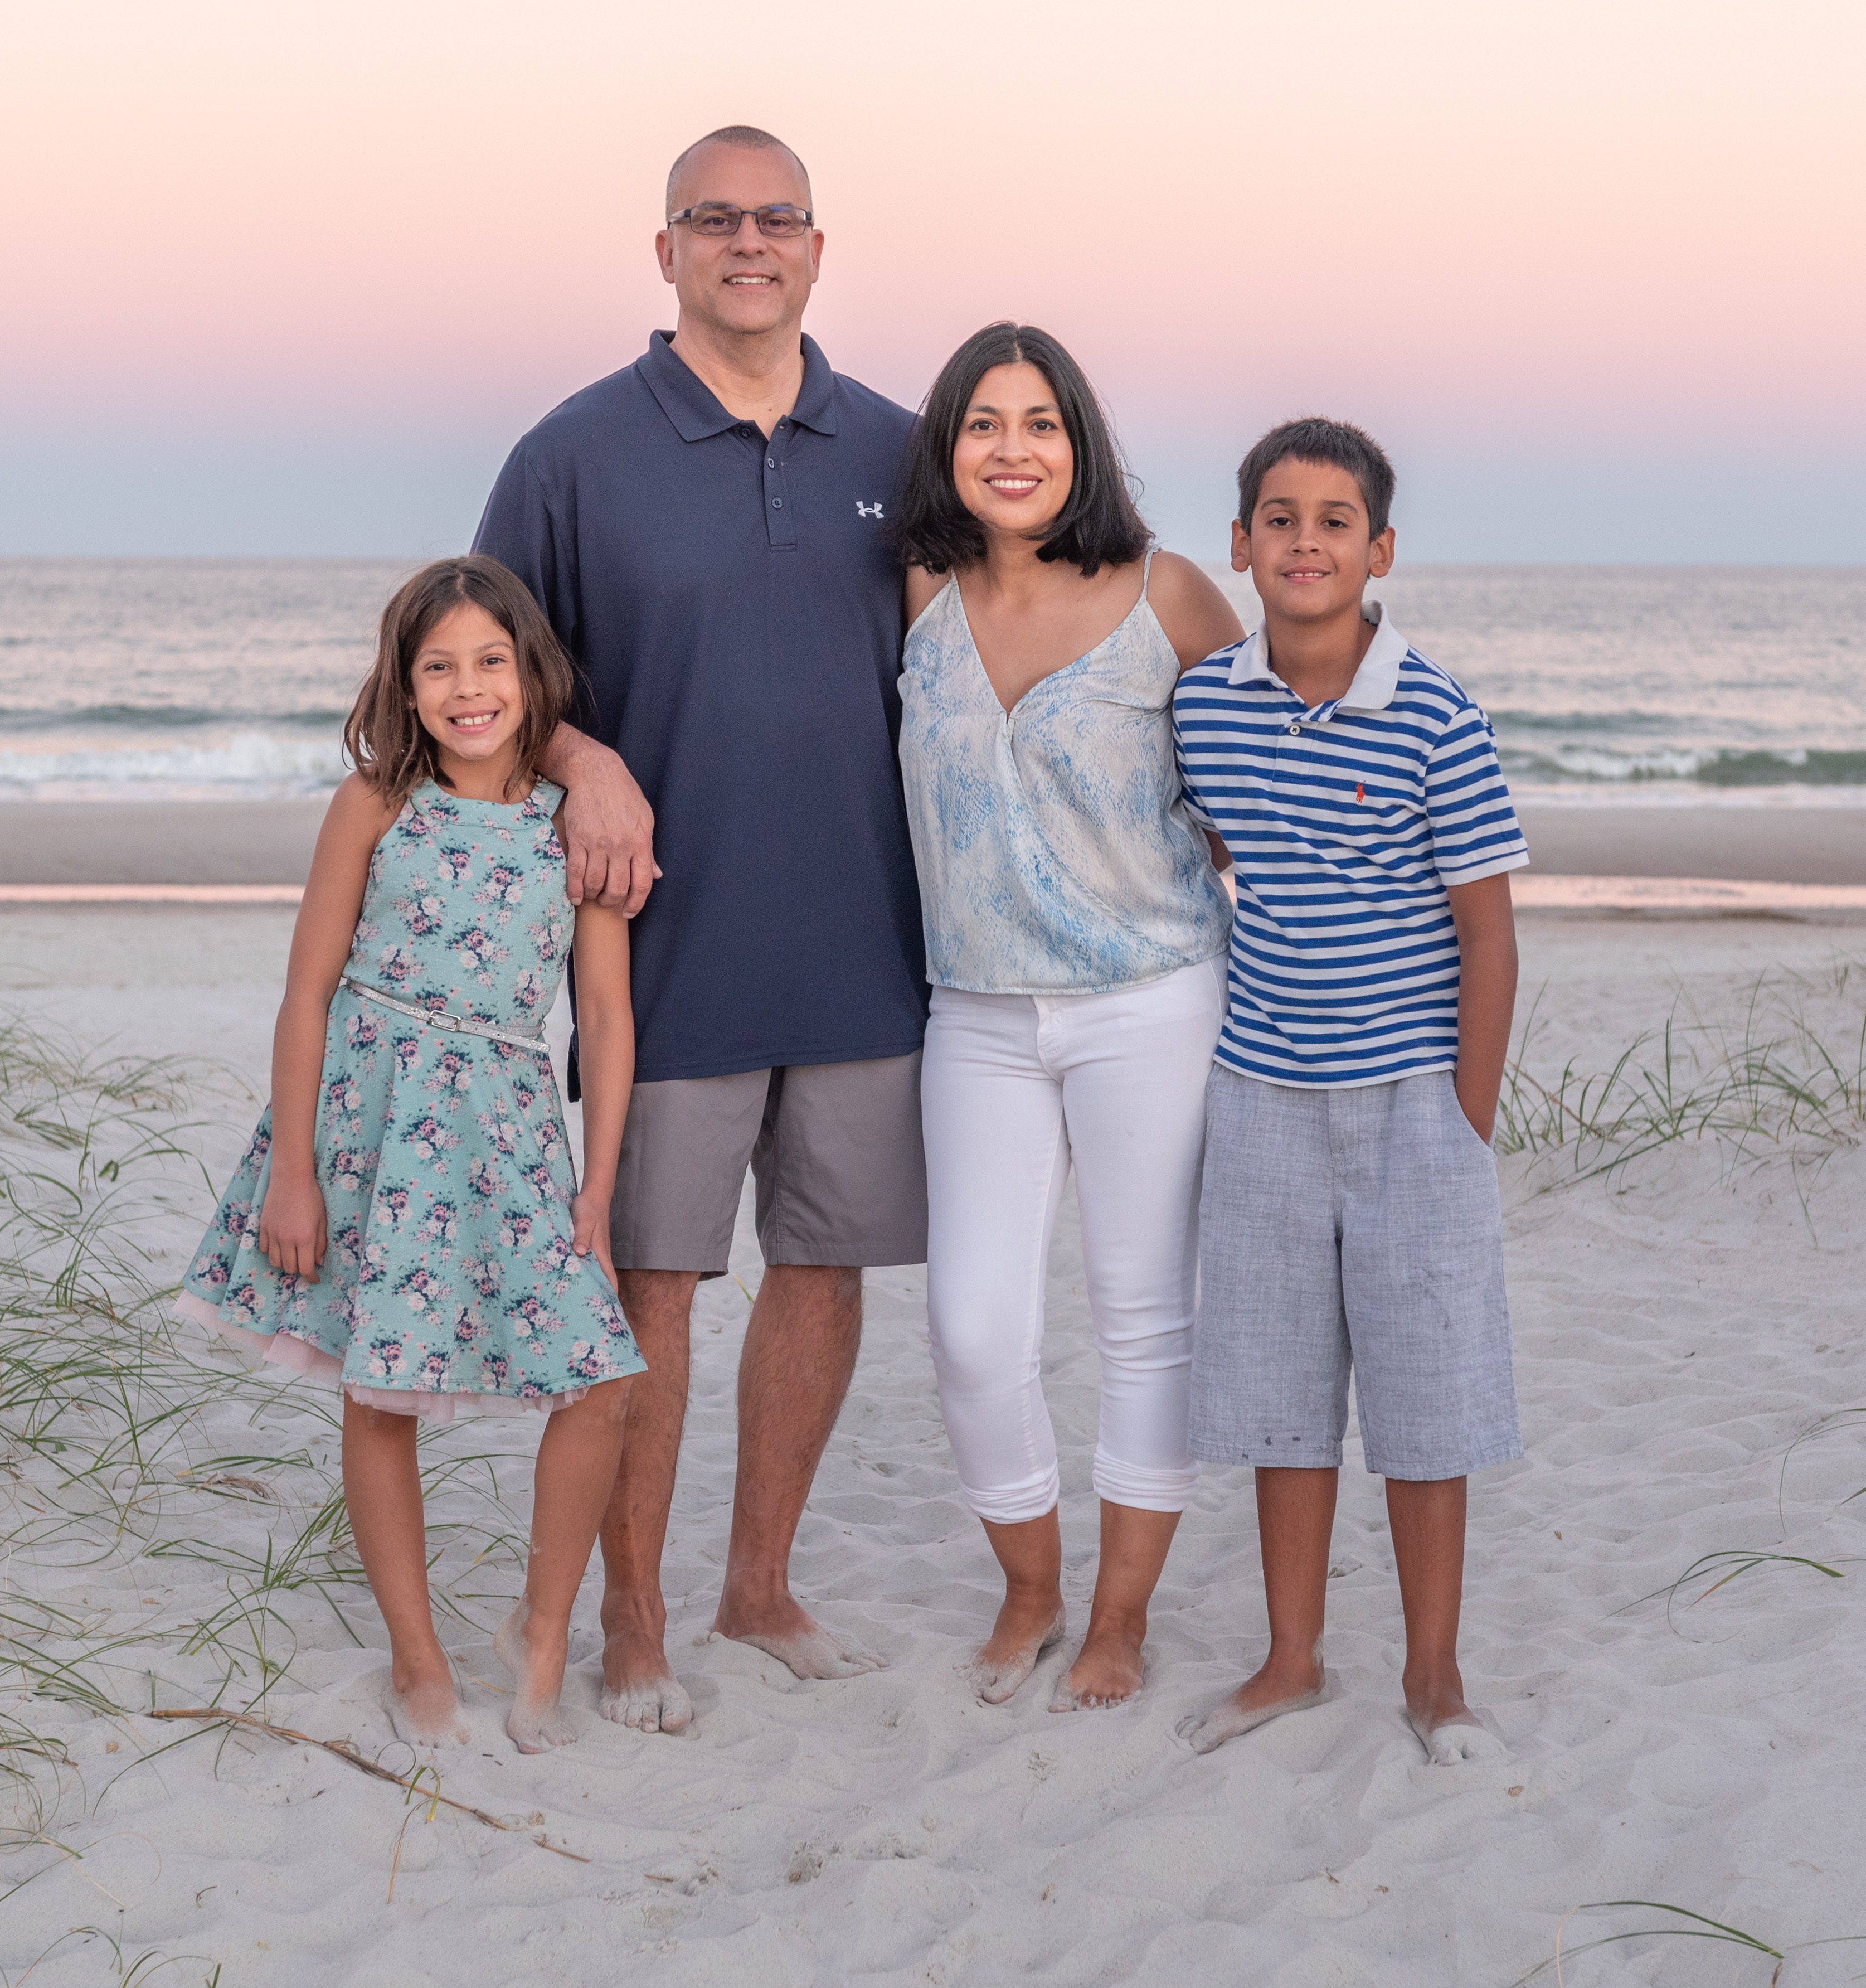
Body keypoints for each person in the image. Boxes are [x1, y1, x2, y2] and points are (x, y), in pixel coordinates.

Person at [472, 125, 928, 1734]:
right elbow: (480, 679)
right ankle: (636, 1619)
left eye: (776, 218)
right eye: (713, 218)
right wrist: (582, 751)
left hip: (871, 950)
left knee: (821, 1272)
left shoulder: (899, 442)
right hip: (659, 956)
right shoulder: (572, 451)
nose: (749, 241)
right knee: (650, 1288)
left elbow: (1001, 649)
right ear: (660, 247)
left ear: (818, 246)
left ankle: (759, 1583)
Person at [172, 555, 642, 1756]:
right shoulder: (374, 804)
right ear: (405, 681)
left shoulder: (568, 826)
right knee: (378, 1387)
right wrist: (293, 1170)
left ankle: (542, 1633)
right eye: (439, 665)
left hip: (509, 1119)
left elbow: (605, 1011)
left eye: (491, 661)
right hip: (365, 1118)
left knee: (598, 1376)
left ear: (533, 674)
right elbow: (306, 992)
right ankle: (416, 1656)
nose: (467, 687)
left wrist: (596, 1179)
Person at [892, 323, 1243, 1711]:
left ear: (1080, 442)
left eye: (1040, 422)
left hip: (1152, 1000)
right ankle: (1029, 1588)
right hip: (973, 1010)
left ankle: (1118, 1617)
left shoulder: (1170, 595)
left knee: (1141, 1321)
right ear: (948, 447)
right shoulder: (917, 590)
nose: (1013, 449)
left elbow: (1253, 796)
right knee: (974, 1325)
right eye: (984, 423)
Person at [1166, 418, 1526, 1764]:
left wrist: (1463, 1114)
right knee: (1278, 1387)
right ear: (1243, 545)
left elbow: (1487, 930)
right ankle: (1290, 1657)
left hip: (1411, 1102)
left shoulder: (1433, 709)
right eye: (1277, 516)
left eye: (1331, 520)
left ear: (1377, 551)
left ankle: (1434, 1677)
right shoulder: (1208, 701)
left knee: (1426, 1394)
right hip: (1260, 1091)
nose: (1302, 539)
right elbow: (1214, 840)